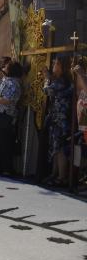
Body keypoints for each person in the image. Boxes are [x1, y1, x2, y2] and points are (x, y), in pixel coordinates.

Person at [42, 58, 73, 186]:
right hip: (56, 119)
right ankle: (54, 174)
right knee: (55, 147)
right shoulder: (59, 80)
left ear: (62, 67)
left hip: (62, 120)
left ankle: (61, 177)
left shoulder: (63, 81)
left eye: (56, 64)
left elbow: (47, 90)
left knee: (60, 148)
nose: (54, 65)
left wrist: (46, 79)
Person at [0, 60, 22, 175]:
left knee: (4, 141)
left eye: (6, 66)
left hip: (5, 114)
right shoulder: (6, 80)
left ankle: (7, 167)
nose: (4, 67)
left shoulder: (13, 83)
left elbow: (8, 99)